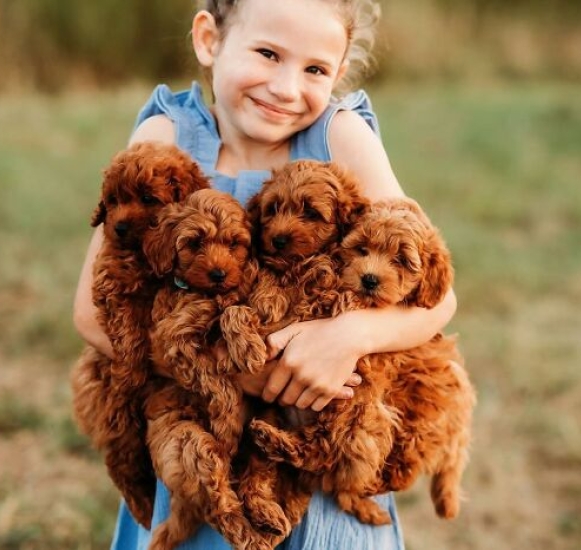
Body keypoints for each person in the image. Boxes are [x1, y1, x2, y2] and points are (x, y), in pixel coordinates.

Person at [73, 0, 458, 548]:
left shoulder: (340, 139)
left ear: (340, 72)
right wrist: (228, 369)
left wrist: (351, 335)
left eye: (315, 70)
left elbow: (437, 300)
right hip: (203, 428)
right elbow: (92, 314)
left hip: (313, 440)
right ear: (209, 40)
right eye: (268, 53)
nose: (285, 87)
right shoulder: (167, 136)